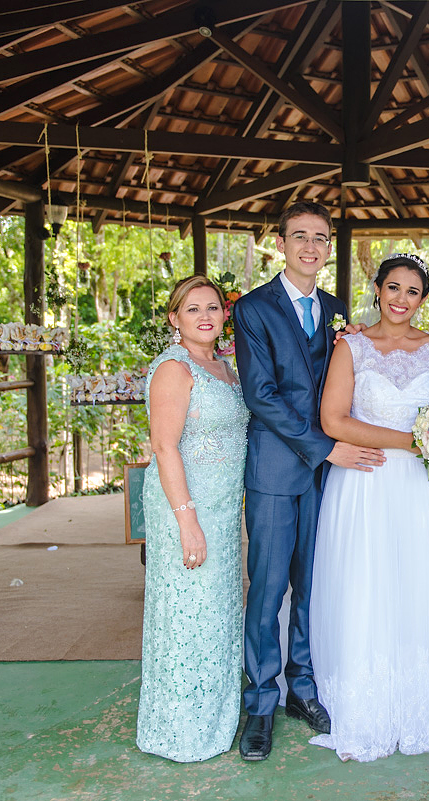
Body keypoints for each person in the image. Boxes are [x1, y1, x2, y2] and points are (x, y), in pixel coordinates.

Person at [309, 254, 429, 762]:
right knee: (369, 580)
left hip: (425, 491)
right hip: (366, 482)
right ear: (378, 289)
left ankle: (419, 696)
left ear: (423, 299)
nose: (401, 300)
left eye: (413, 292)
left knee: (420, 580)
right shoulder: (352, 346)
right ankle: (367, 695)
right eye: (393, 288)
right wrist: (413, 439)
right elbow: (334, 420)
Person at [233, 201, 386, 762]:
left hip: (328, 475)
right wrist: (328, 447)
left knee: (313, 585)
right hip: (277, 469)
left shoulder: (336, 309)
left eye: (320, 238)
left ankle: (303, 686)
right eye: (300, 236)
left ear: (328, 246)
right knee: (269, 588)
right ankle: (260, 702)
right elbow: (261, 394)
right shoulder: (252, 308)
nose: (310, 247)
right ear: (281, 242)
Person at [137, 275, 249, 762]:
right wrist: (187, 520)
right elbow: (164, 447)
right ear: (173, 318)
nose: (205, 315)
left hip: (223, 512)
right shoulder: (174, 370)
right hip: (186, 507)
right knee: (186, 615)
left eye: (212, 307)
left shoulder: (224, 367)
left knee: (218, 611)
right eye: (192, 308)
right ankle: (180, 727)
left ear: (225, 314)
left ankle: (216, 716)